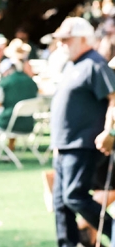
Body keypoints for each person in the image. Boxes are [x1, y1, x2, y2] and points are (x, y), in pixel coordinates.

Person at [50, 17, 115, 247]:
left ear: (84, 39)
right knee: (60, 203)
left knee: (74, 196)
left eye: (67, 40)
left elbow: (113, 98)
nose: (62, 44)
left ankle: (113, 229)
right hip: (65, 144)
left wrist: (110, 131)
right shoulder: (72, 64)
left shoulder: (95, 63)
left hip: (84, 143)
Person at [0, 58, 38, 162]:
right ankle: (10, 149)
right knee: (14, 116)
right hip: (28, 123)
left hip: (8, 123)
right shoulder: (31, 81)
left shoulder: (5, 82)